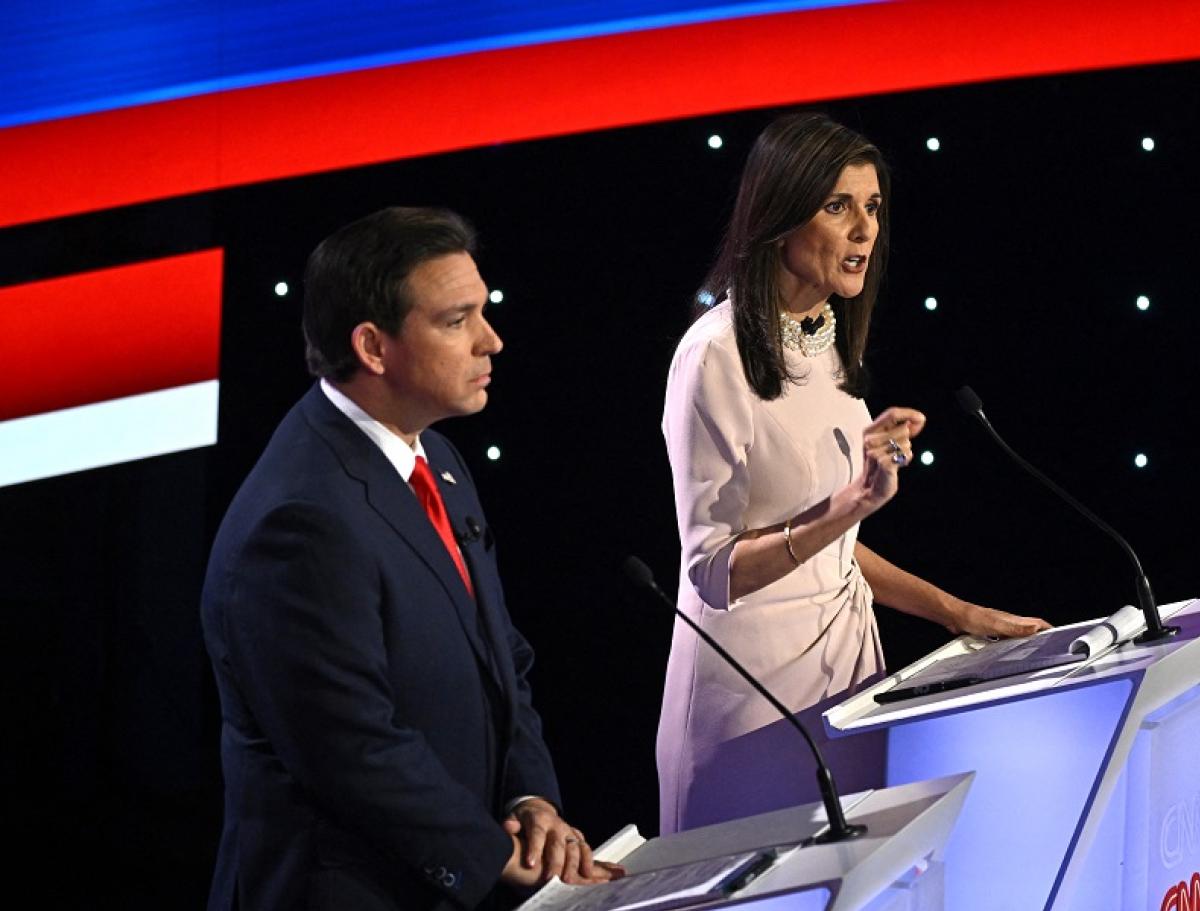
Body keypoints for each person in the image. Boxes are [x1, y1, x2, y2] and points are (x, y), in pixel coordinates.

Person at [201, 207, 615, 910]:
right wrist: (494, 855)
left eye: (482, 312)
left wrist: (532, 799)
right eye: (457, 320)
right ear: (372, 346)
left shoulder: (437, 458)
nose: (491, 340)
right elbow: (350, 747)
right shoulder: (300, 519)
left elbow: (501, 658)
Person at [657, 114, 1050, 834]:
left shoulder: (828, 342)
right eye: (838, 206)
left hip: (846, 686)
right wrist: (850, 503)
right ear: (779, 217)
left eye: (872, 206)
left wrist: (956, 614)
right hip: (752, 709)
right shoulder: (714, 357)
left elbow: (833, 551)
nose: (865, 229)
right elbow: (712, 573)